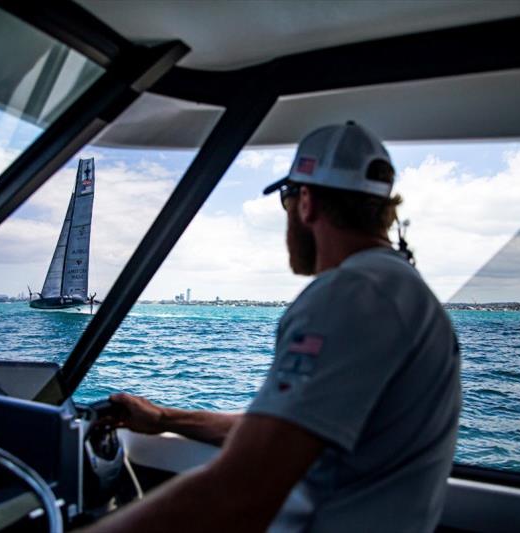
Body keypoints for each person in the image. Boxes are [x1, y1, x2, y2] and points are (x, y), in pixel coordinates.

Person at [87, 122, 461, 533]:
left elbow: (241, 489)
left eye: (286, 201)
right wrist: (163, 420)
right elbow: (281, 436)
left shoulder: (349, 294)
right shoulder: (400, 290)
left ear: (306, 202)